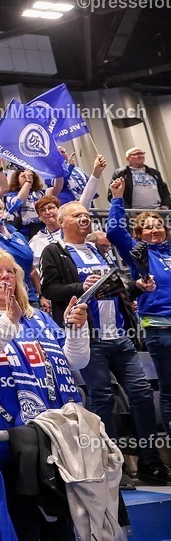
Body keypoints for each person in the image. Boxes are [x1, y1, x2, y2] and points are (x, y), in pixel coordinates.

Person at [40, 199, 171, 486]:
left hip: (120, 336)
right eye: (77, 215)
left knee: (141, 394)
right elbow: (50, 289)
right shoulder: (55, 251)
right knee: (102, 398)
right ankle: (112, 465)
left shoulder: (97, 250)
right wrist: (80, 286)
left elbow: (116, 290)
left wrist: (137, 288)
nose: (84, 218)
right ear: (61, 222)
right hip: (90, 338)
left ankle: (149, 462)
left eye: (87, 214)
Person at [0, 250, 89, 428]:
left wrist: (76, 330)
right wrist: (9, 320)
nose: (5, 275)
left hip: (56, 424)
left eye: (10, 271)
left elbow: (76, 362)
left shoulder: (38, 317)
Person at [108, 177, 171, 437]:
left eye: (159, 226)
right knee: (169, 390)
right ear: (139, 234)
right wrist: (117, 199)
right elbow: (114, 233)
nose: (154, 230)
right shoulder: (139, 252)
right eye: (147, 228)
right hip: (161, 330)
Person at [0, 195, 41, 307]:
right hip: (4, 297)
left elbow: (32, 269)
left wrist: (42, 295)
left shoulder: (17, 234)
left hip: (30, 296)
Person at [4, 168, 57, 237]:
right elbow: (19, 202)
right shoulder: (11, 195)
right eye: (24, 176)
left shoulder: (39, 193)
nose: (27, 177)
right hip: (23, 231)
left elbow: (57, 189)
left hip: (43, 227)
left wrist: (59, 174)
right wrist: (28, 182)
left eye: (30, 176)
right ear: (16, 179)